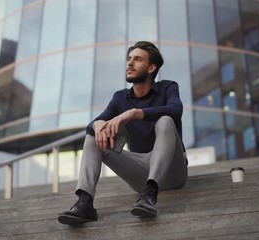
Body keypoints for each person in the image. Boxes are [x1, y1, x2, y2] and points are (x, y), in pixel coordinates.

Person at [58, 41, 188, 225]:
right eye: (129, 59)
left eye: (137, 59)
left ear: (151, 67)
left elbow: (176, 110)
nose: (129, 63)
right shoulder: (120, 98)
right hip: (139, 171)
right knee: (95, 134)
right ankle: (85, 201)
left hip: (173, 172)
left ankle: (151, 195)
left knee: (165, 120)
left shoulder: (168, 87)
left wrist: (134, 113)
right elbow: (93, 125)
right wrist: (97, 125)